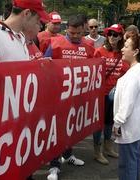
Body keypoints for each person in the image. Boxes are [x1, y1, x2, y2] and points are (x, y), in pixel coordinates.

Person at [44, 15, 94, 180]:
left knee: (71, 128)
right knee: (57, 131)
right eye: (72, 33)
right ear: (67, 30)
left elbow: (93, 69)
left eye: (78, 33)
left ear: (83, 30)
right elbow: (44, 66)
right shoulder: (55, 43)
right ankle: (54, 166)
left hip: (77, 95)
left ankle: (68, 155)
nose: (75, 36)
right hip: (58, 96)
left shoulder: (88, 46)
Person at [0, 0, 48, 91]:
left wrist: (38, 65)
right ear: (27, 13)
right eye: (37, 18)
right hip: (2, 104)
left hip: (19, 103)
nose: (39, 23)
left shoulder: (21, 36)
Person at [113, 35, 140, 180]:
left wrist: (117, 122)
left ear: (136, 51)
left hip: (132, 127)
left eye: (126, 46)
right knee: (135, 160)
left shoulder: (134, 75)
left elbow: (127, 104)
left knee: (127, 165)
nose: (122, 49)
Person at [92, 24, 129, 165]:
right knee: (98, 124)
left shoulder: (123, 53)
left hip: (116, 95)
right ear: (107, 36)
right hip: (101, 93)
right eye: (110, 34)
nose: (112, 37)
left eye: (116, 34)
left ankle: (108, 147)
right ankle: (97, 151)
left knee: (109, 122)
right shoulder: (99, 52)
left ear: (121, 37)